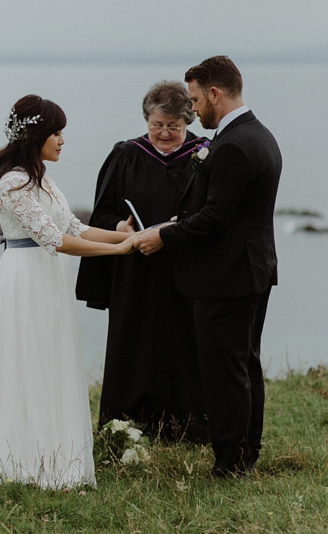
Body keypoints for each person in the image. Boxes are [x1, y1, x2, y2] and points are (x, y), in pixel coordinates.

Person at [0, 94, 137, 489]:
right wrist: (117, 250)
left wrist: (125, 235)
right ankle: (21, 457)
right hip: (25, 278)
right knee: (27, 360)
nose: (61, 140)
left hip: (49, 278)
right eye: (55, 132)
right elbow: (53, 239)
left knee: (52, 359)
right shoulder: (13, 182)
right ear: (36, 134)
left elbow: (73, 227)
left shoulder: (42, 178)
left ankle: (54, 454)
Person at [134, 56, 281, 478]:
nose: (194, 110)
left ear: (215, 93)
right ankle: (245, 453)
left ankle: (231, 463)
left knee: (224, 372)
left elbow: (217, 217)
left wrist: (163, 235)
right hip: (251, 270)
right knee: (244, 364)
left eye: (196, 100)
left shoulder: (233, 144)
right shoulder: (259, 134)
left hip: (226, 277)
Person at [75, 81, 210, 442]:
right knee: (131, 342)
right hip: (134, 270)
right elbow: (99, 214)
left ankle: (185, 428)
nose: (164, 133)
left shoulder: (205, 155)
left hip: (183, 269)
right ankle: (124, 426)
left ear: (188, 121)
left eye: (174, 126)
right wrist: (119, 226)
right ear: (146, 119)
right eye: (157, 125)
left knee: (184, 345)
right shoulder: (126, 155)